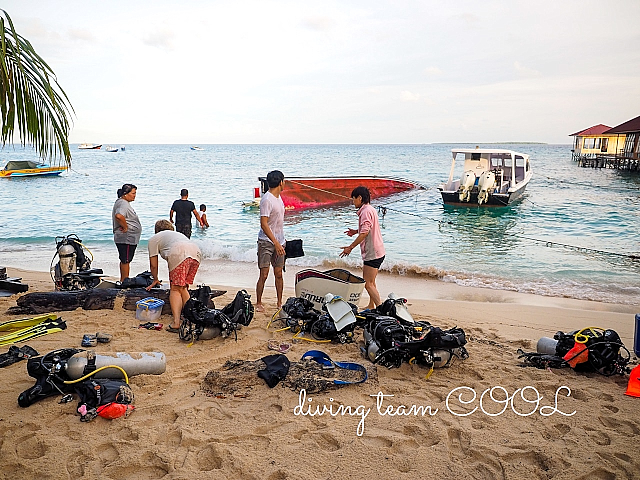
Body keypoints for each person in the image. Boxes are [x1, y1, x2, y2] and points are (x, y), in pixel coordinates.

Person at [146, 220, 202, 332]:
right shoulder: (176, 235)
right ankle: (190, 318)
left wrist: (155, 279)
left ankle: (176, 322)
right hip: (196, 252)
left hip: (179, 252)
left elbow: (153, 265)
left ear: (156, 230)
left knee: (175, 289)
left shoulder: (155, 238)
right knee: (183, 287)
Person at [340, 186, 385, 310]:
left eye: (354, 199)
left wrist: (350, 247)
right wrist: (355, 231)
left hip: (373, 253)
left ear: (360, 198)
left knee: (368, 284)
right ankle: (372, 305)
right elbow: (366, 228)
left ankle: (380, 309)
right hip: (379, 251)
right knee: (372, 282)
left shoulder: (365, 212)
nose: (353, 202)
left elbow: (365, 232)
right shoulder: (370, 209)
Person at [255, 170, 286, 313]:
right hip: (266, 241)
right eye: (283, 181)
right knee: (264, 273)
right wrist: (276, 243)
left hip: (280, 240)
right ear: (280, 182)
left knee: (279, 273)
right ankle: (259, 302)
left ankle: (279, 302)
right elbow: (264, 223)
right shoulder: (267, 199)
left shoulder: (279, 198)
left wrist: (281, 241)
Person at [112, 183, 142, 282]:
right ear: (125, 194)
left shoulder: (122, 202)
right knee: (126, 260)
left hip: (127, 237)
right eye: (133, 193)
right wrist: (125, 227)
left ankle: (123, 280)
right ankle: (125, 281)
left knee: (125, 259)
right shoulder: (123, 203)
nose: (135, 195)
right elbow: (119, 216)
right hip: (126, 237)